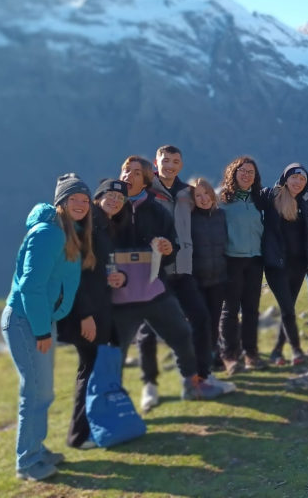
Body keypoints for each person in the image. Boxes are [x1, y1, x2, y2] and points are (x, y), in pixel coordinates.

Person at [110, 156, 228, 412]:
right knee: (117, 351)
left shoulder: (156, 211)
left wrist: (168, 248)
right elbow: (96, 246)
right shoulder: (109, 207)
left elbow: (172, 245)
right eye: (125, 171)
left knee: (182, 335)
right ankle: (113, 400)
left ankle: (192, 383)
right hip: (121, 295)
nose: (128, 176)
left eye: (136, 173)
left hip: (153, 289)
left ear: (146, 180)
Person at [2, 173, 92, 481]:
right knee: (35, 392)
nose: (81, 205)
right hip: (27, 321)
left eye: (85, 200)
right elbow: (30, 287)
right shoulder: (49, 234)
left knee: (43, 392)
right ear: (60, 203)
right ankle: (27, 462)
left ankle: (36, 451)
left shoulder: (68, 232)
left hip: (38, 320)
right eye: (74, 199)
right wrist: (41, 330)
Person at [58, 178, 125, 451]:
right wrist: (85, 315)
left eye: (120, 199)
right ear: (97, 198)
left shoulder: (101, 226)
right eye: (109, 195)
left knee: (93, 368)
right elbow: (77, 277)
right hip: (86, 313)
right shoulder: (87, 226)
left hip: (98, 307)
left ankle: (90, 429)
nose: (115, 201)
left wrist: (116, 278)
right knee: (89, 369)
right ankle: (79, 435)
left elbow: (96, 270)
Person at [262, 163, 308, 366]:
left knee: (289, 308)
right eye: (294, 178)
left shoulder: (304, 202)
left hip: (299, 265)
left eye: (302, 180)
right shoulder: (271, 197)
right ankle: (296, 350)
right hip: (277, 265)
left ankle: (276, 351)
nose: (298, 182)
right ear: (285, 178)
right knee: (287, 309)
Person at [218, 156, 266, 370]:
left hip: (255, 260)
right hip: (231, 260)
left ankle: (251, 354)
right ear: (233, 173)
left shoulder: (259, 200)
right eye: (242, 171)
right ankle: (229, 355)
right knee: (230, 310)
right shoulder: (223, 201)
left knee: (251, 310)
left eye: (251, 172)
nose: (246, 175)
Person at [188, 177, 229, 372]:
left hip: (219, 278)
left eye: (206, 193)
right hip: (197, 279)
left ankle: (214, 356)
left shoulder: (221, 215)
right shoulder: (189, 219)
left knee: (214, 320)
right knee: (200, 320)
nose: (203, 198)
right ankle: (199, 358)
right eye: (198, 195)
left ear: (213, 195)